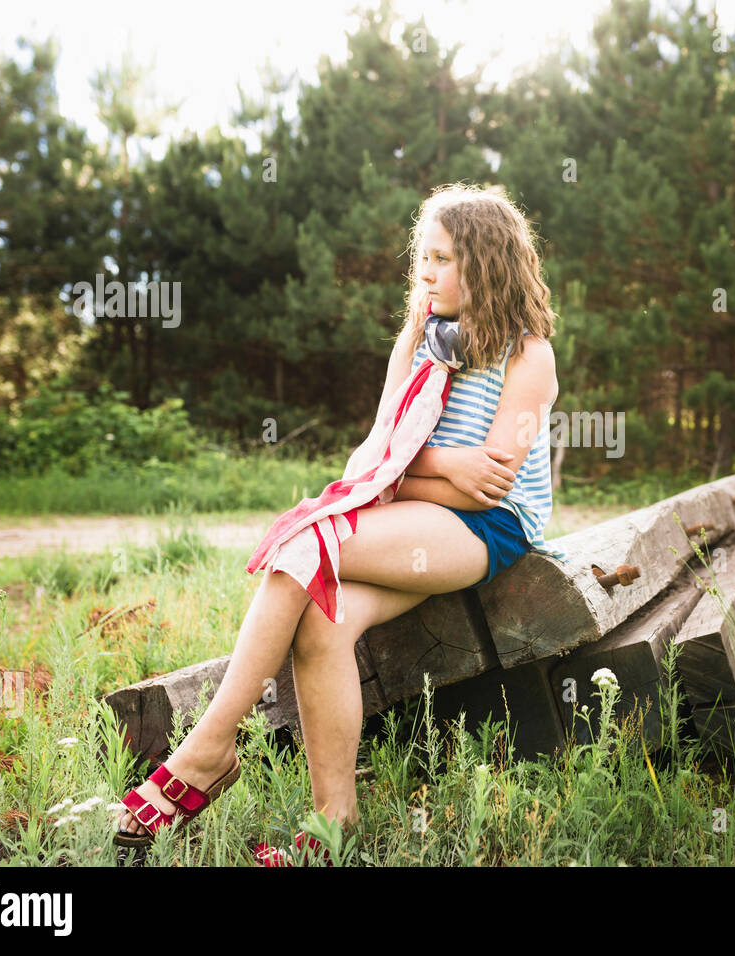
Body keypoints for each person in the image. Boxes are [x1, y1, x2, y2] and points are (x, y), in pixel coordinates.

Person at [113, 183, 562, 850]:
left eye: (443, 259)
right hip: (411, 514)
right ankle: (335, 823)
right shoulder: (419, 339)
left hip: (485, 531)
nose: (427, 274)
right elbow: (372, 452)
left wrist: (417, 471)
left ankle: (206, 751)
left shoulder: (528, 357)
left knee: (305, 542)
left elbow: (484, 490)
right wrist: (442, 464)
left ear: (488, 262)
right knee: (324, 620)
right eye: (423, 259)